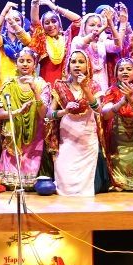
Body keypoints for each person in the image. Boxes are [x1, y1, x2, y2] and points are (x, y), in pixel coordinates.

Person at [47, 50, 109, 196]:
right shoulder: (60, 85)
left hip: (87, 136)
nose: (77, 65)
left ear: (87, 66)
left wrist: (85, 88)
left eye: (81, 62)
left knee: (85, 183)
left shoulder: (93, 85)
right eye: (73, 61)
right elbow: (49, 114)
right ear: (68, 65)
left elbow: (98, 109)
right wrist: (65, 111)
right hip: (67, 135)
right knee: (64, 176)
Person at [0, 47, 50, 190]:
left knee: (31, 183)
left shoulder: (41, 85)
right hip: (13, 133)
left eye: (29, 61)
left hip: (35, 133)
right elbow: (0, 114)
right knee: (9, 185)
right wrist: (16, 112)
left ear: (35, 64)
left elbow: (43, 113)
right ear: (16, 63)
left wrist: (34, 90)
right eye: (21, 61)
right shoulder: (9, 85)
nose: (25, 64)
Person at [101, 57, 133, 191]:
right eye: (121, 69)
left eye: (129, 69)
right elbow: (105, 115)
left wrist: (131, 100)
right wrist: (122, 102)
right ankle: (119, 182)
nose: (125, 72)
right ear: (116, 74)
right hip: (119, 139)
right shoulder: (111, 90)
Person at [29, 0, 81, 84]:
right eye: (47, 23)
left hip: (66, 84)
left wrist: (55, 8)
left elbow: (78, 20)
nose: (51, 25)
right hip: (46, 85)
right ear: (43, 27)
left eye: (54, 21)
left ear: (60, 24)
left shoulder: (67, 37)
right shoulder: (42, 39)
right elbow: (34, 20)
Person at [70, 12, 120, 92]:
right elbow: (86, 40)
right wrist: (104, 27)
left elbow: (118, 47)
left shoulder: (102, 43)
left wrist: (111, 24)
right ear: (84, 27)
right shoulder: (77, 40)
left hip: (102, 83)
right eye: (92, 25)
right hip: (83, 83)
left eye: (99, 26)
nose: (96, 28)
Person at [0, 1, 32, 93]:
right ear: (5, 24)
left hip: (23, 87)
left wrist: (11, 21)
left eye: (17, 20)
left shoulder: (26, 40)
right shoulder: (1, 42)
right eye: (9, 20)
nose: (13, 22)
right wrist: (4, 12)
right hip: (4, 88)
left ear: (22, 23)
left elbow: (26, 39)